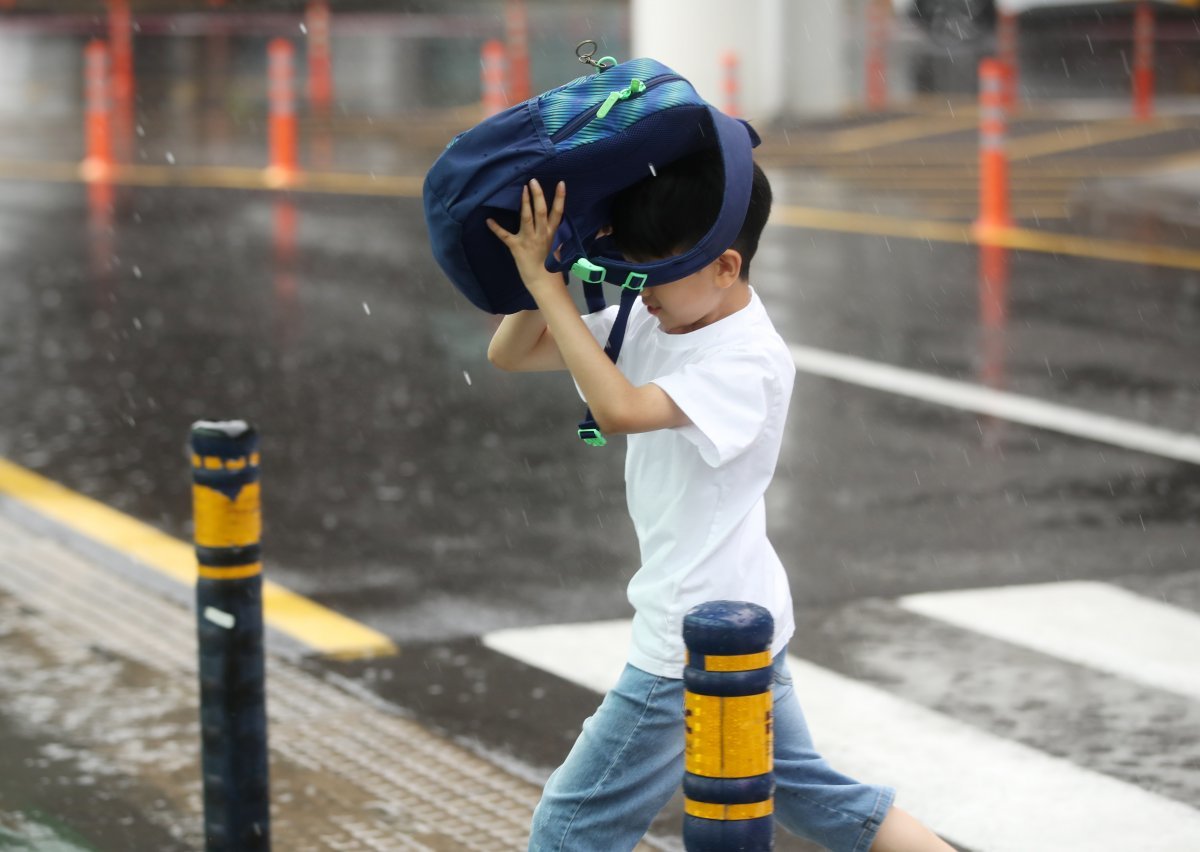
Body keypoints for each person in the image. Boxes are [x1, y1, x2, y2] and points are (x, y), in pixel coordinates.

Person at [485, 149, 954, 852]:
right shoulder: (658, 316)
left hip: (692, 632)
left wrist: (546, 287)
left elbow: (619, 409)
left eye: (658, 276)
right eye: (633, 274)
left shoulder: (747, 360)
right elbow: (512, 354)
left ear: (726, 266)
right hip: (744, 610)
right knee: (813, 797)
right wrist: (543, 270)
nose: (643, 293)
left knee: (571, 827)